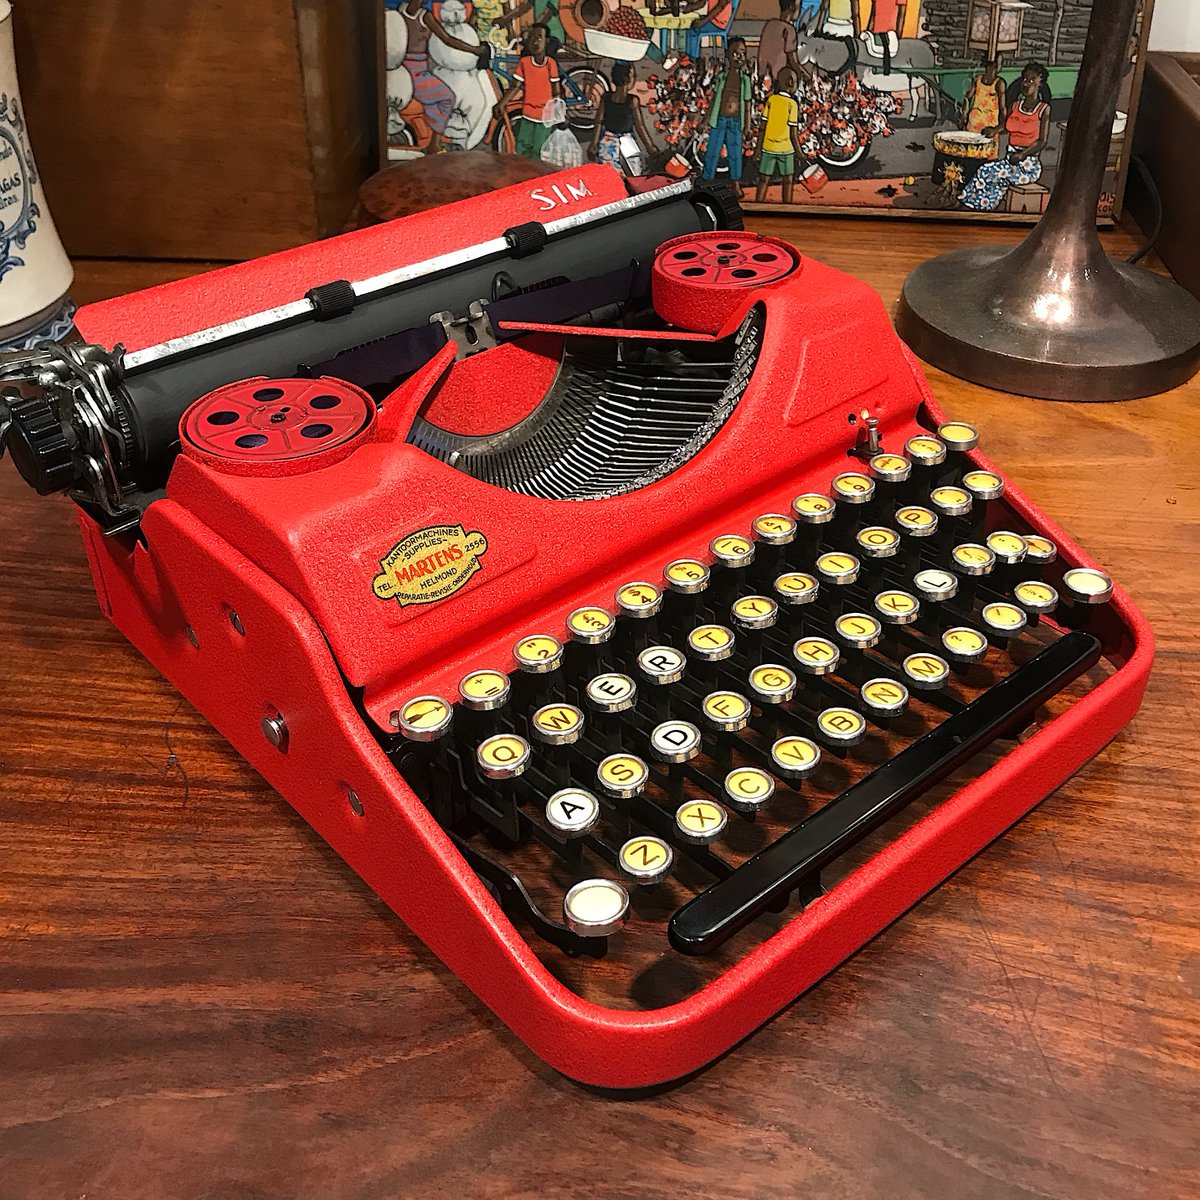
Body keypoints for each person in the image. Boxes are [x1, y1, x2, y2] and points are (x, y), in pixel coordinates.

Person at [959, 61, 1051, 212]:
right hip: (1010, 161)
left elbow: (1042, 142)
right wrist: (994, 131)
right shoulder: (1016, 105)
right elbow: (1006, 126)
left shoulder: (1043, 109)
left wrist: (1022, 154)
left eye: (1032, 80)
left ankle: (980, 208)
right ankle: (970, 205)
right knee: (984, 170)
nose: (1027, 84)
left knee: (991, 174)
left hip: (1027, 165)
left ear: (1040, 85)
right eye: (1025, 80)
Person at [401, 0, 490, 154]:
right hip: (416, 71)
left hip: (411, 67)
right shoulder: (424, 16)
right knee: (447, 97)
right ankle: (434, 145)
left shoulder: (401, 11)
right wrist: (474, 50)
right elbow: (447, 39)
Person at [493, 23, 561, 161]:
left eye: (539, 38)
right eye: (531, 38)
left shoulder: (550, 64)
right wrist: (501, 103)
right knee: (522, 149)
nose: (535, 42)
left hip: (544, 118)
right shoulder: (524, 62)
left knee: (539, 151)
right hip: (528, 114)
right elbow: (515, 86)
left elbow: (556, 92)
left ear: (546, 41)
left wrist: (560, 114)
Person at [700, 36, 752, 198]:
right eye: (735, 53)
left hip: (736, 122)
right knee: (713, 151)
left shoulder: (745, 80)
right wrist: (705, 120)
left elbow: (748, 105)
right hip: (719, 119)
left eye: (742, 53)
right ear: (728, 55)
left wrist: (748, 126)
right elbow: (715, 99)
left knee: (735, 153)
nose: (739, 56)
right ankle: (707, 180)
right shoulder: (722, 77)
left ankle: (735, 183)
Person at [588, 62, 654, 175]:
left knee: (608, 177)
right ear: (628, 79)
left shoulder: (606, 97)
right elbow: (640, 126)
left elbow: (598, 121)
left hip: (607, 143)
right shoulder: (632, 101)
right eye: (634, 76)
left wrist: (593, 143)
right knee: (631, 175)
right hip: (627, 144)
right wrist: (650, 147)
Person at [755, 66, 802, 203]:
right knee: (787, 181)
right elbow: (793, 134)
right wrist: (799, 153)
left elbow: (762, 128)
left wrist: (757, 151)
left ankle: (758, 205)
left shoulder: (771, 101)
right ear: (791, 83)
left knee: (764, 179)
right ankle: (787, 207)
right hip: (786, 149)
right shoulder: (792, 104)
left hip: (768, 147)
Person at [961, 53, 1006, 160]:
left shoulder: (978, 79)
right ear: (995, 65)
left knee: (973, 156)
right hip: (988, 127)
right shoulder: (999, 83)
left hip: (975, 124)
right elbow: (1002, 107)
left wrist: (964, 117)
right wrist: (1002, 126)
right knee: (986, 159)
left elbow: (967, 98)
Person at [497, 0, 565, 55]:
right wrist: (505, 19)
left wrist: (530, 31)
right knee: (525, 58)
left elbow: (546, 15)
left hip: (553, 36)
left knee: (539, 57)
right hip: (537, 35)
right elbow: (523, 8)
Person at [758, 0, 800, 82]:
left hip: (764, 75)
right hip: (780, 78)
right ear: (792, 8)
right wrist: (805, 76)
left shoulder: (770, 24)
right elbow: (793, 61)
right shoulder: (789, 30)